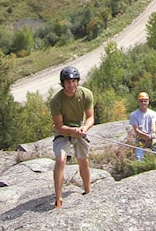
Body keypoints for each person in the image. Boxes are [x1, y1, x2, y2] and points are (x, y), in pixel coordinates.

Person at [50, 65, 94, 209]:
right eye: (68, 82)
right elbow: (58, 125)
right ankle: (58, 199)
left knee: (83, 160)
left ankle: (88, 191)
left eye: (74, 81)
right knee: (61, 159)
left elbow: (90, 117)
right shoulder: (56, 101)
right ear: (63, 84)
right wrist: (71, 130)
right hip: (63, 132)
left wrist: (84, 128)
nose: (71, 85)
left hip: (79, 128)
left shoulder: (86, 94)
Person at [129, 91, 156, 161]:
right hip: (141, 139)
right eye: (141, 101)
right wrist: (145, 136)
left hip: (151, 138)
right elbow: (136, 130)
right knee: (139, 159)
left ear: (148, 102)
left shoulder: (153, 113)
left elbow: (153, 124)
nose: (143, 103)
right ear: (138, 102)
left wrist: (153, 133)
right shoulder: (134, 115)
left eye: (145, 101)